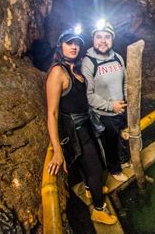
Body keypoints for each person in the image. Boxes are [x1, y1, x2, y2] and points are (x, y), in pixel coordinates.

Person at [45, 27, 118, 225]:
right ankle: (99, 210)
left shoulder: (74, 69)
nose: (74, 47)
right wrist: (58, 150)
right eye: (69, 43)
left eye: (77, 43)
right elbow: (51, 114)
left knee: (92, 166)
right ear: (61, 46)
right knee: (95, 170)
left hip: (86, 124)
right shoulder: (57, 72)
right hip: (75, 130)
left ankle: (89, 189)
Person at [82, 20, 130, 182]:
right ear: (93, 39)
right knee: (109, 142)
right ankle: (114, 170)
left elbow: (125, 81)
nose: (103, 41)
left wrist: (124, 100)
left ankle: (123, 160)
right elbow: (88, 95)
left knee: (121, 137)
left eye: (107, 37)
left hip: (121, 108)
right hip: (104, 113)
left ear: (112, 39)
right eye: (99, 37)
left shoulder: (117, 57)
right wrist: (111, 106)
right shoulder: (88, 62)